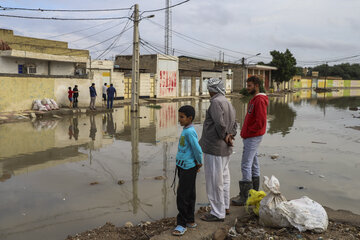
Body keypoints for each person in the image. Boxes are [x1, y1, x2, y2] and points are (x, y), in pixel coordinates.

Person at [199, 78, 237, 222]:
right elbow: (234, 123)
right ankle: (225, 207)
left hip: (214, 147)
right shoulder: (227, 101)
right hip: (225, 148)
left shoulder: (215, 102)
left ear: (211, 90)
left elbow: (219, 123)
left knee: (215, 181)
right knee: (224, 179)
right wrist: (230, 136)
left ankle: (217, 213)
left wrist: (224, 136)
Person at [232, 76, 268, 206]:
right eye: (247, 85)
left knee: (245, 164)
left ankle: (245, 196)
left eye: (250, 86)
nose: (247, 88)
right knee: (253, 163)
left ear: (257, 85)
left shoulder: (259, 100)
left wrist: (249, 132)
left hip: (253, 136)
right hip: (251, 136)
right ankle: (253, 193)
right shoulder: (255, 99)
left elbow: (261, 122)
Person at [172, 105, 203, 236]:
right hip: (183, 166)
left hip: (188, 167)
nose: (179, 119)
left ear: (190, 118)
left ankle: (182, 223)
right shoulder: (186, 129)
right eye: (179, 116)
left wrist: (199, 162)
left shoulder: (189, 132)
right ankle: (190, 220)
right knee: (189, 193)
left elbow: (197, 149)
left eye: (182, 117)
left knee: (183, 195)